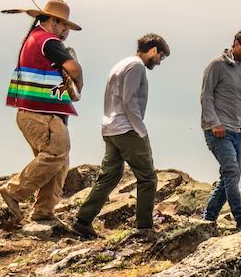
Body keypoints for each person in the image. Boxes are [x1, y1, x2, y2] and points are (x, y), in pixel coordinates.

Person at [70, 33, 170, 239]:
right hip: (127, 129)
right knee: (148, 178)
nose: (160, 62)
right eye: (161, 56)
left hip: (110, 128)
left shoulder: (121, 64)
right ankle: (144, 228)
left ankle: (83, 221)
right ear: (153, 50)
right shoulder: (137, 66)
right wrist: (140, 129)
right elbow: (129, 100)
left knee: (109, 176)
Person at [0, 0, 83, 226]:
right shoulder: (49, 41)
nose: (66, 30)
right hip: (41, 113)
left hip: (31, 112)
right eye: (63, 24)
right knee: (57, 153)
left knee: (58, 162)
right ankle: (13, 191)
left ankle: (44, 212)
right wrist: (79, 84)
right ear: (52, 21)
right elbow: (73, 68)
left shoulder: (33, 39)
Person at [200, 29, 241, 229]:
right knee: (231, 171)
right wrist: (214, 123)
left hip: (237, 131)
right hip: (218, 130)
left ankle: (209, 217)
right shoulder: (216, 66)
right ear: (236, 44)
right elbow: (206, 97)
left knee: (230, 175)